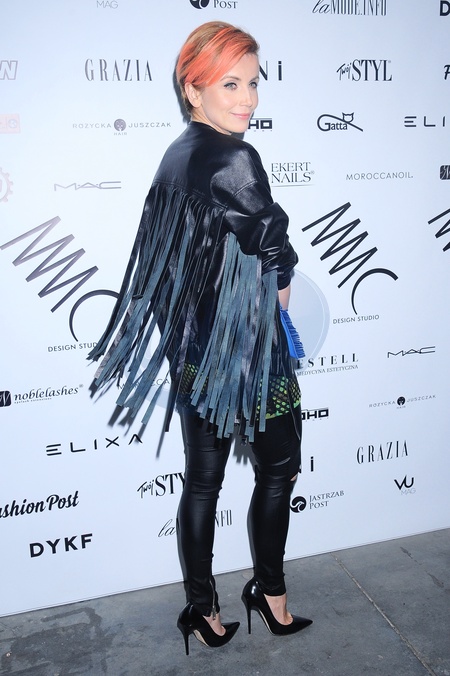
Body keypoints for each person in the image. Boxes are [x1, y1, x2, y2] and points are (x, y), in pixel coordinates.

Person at [89, 21, 312, 655]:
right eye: (231, 84)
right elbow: (274, 257)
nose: (249, 99)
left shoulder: (176, 155)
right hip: (245, 356)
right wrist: (277, 320)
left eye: (254, 83)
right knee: (280, 469)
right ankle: (270, 595)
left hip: (193, 355)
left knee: (202, 482)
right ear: (194, 89)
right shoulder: (236, 157)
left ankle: (202, 609)